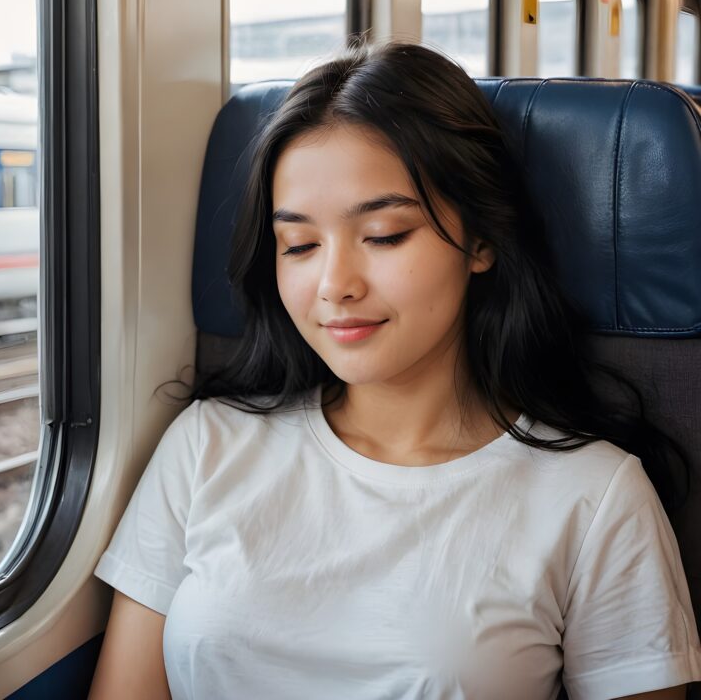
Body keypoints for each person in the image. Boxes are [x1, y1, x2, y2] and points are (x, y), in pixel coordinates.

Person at [88, 42, 701, 700]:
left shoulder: (594, 496)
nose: (334, 285)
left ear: (482, 240)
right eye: (298, 245)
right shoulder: (207, 444)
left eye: (383, 235)